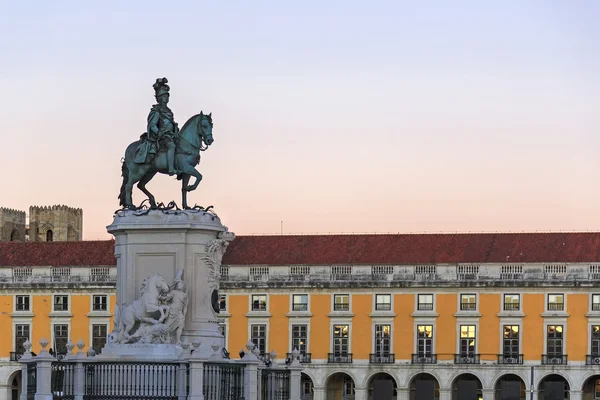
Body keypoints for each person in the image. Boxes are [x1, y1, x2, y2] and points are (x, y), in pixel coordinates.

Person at [146, 77, 179, 175]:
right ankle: (171, 169)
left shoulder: (169, 111)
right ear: (160, 98)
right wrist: (158, 132)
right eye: (164, 96)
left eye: (167, 96)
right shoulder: (157, 110)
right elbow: (152, 125)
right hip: (162, 136)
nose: (167, 98)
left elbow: (170, 122)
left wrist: (175, 128)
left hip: (172, 135)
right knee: (172, 146)